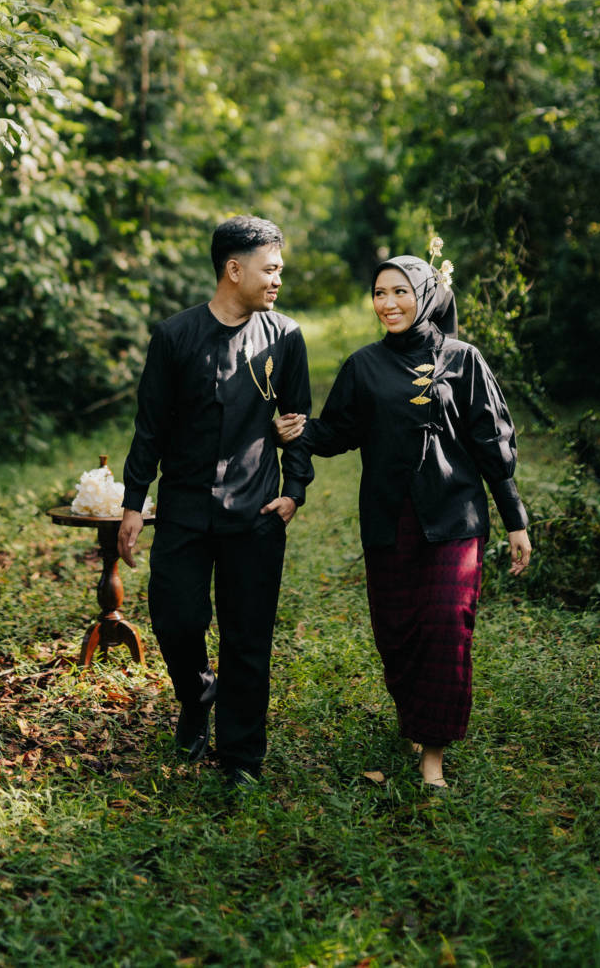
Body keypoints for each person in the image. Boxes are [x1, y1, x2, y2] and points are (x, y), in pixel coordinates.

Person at [276, 255, 531, 789]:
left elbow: (491, 442)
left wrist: (515, 519)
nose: (388, 303)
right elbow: (338, 432)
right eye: (379, 293)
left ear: (426, 295)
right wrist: (297, 430)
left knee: (446, 626)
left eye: (400, 292)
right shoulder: (363, 365)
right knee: (396, 632)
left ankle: (432, 757)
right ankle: (414, 715)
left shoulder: (463, 359)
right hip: (388, 519)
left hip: (455, 516)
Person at [117, 215, 312, 785]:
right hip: (184, 507)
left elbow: (299, 422)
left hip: (256, 511)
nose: (277, 279)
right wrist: (134, 502)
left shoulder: (286, 337)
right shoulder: (174, 336)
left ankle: (242, 757)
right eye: (269, 269)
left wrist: (294, 491)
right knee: (175, 619)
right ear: (233, 269)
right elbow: (150, 427)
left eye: (280, 270)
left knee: (248, 635)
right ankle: (197, 694)